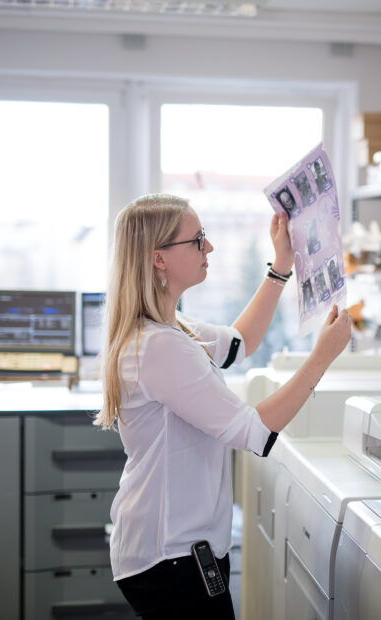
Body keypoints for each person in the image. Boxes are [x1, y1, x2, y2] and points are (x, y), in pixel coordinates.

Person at [93, 193, 351, 619]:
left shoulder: (166, 325)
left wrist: (281, 266)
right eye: (197, 240)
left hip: (166, 546)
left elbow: (238, 343)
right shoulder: (159, 346)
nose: (208, 248)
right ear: (159, 259)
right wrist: (322, 357)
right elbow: (252, 431)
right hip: (170, 555)